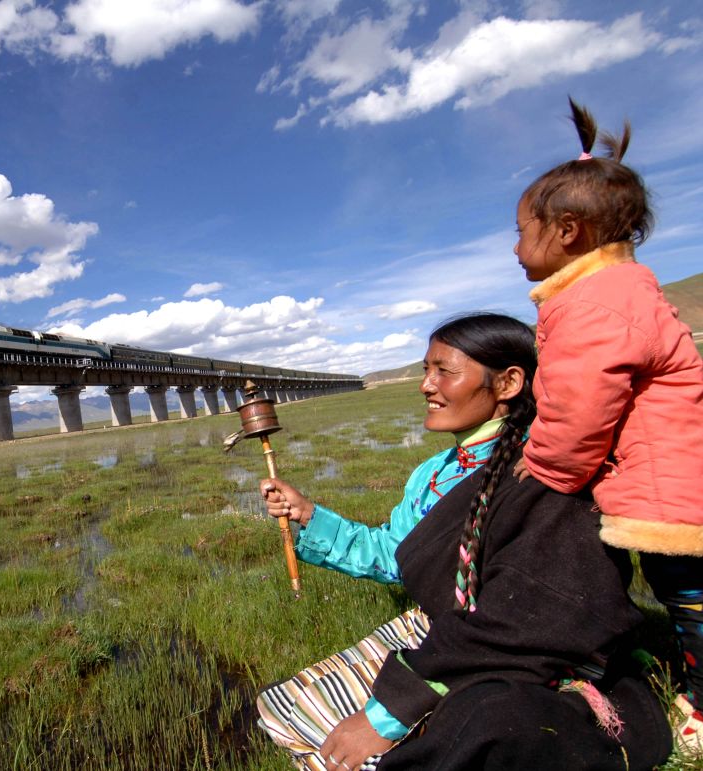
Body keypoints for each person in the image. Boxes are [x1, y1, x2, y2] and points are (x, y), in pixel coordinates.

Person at [256, 313, 672, 770]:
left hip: (522, 649)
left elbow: (540, 608)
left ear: (508, 383)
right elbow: (395, 554)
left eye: (444, 371)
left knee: (387, 746)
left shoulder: (546, 468)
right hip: (448, 631)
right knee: (282, 709)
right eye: (425, 370)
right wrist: (309, 515)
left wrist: (391, 711)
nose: (426, 385)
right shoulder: (433, 474)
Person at [513, 98, 703, 752]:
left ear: (568, 231)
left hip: (670, 489)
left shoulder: (593, 304)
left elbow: (578, 409)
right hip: (662, 478)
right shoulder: (620, 289)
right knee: (668, 588)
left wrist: (544, 465)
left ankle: (699, 706)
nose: (515, 247)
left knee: (693, 597)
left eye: (521, 232)